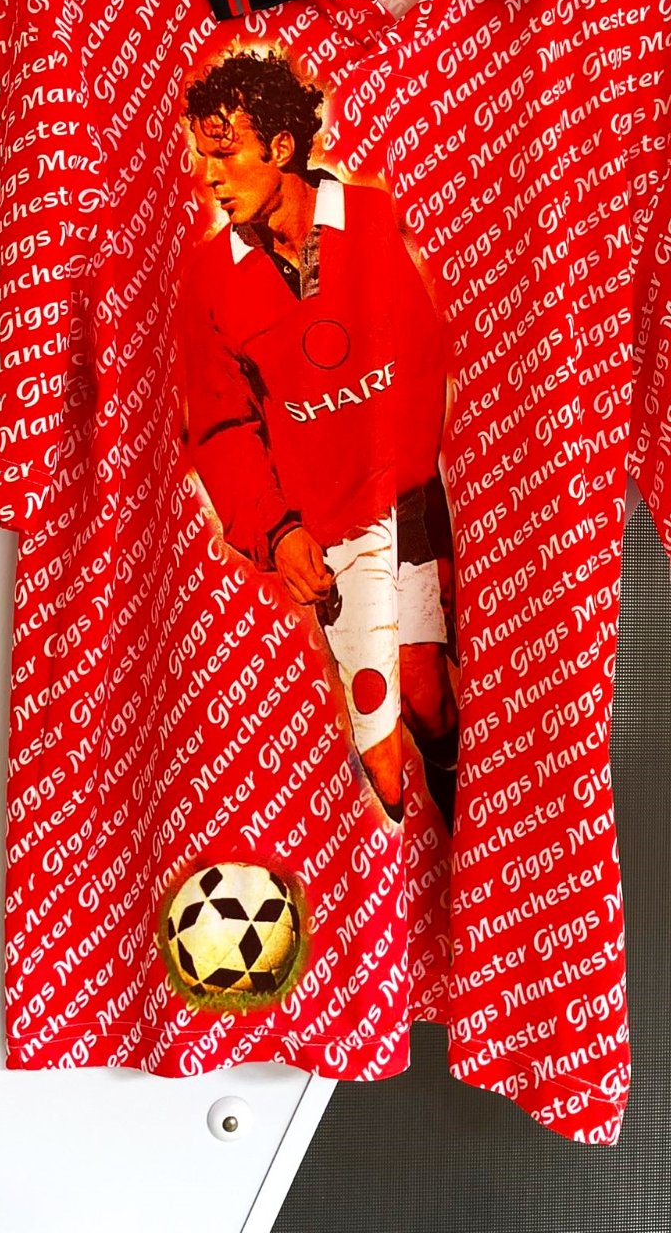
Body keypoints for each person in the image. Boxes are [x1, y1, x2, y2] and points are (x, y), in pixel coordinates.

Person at [173, 45, 459, 830]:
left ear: (281, 147)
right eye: (203, 157)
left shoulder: (374, 218)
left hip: (418, 497)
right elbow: (223, 428)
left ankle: (473, 832)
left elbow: (439, 352)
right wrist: (276, 530)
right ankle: (423, 837)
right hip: (333, 530)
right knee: (385, 754)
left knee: (431, 697)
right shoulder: (210, 281)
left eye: (226, 154)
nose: (210, 176)